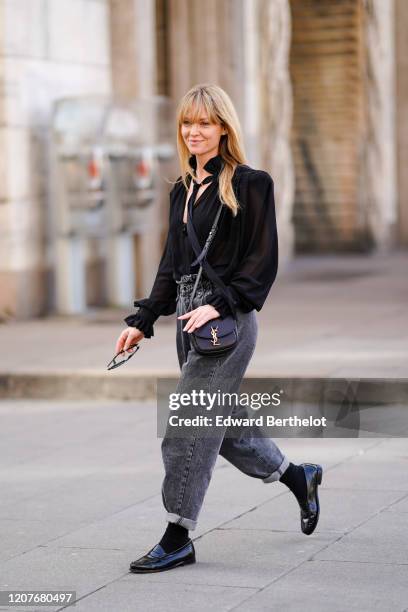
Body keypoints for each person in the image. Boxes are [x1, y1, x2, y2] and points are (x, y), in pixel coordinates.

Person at [115, 84, 323, 573]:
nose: (194, 132)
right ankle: (299, 478)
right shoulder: (182, 189)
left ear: (224, 128)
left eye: (205, 123)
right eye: (188, 123)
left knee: (187, 425)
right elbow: (172, 263)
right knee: (221, 427)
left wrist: (224, 305)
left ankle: (177, 535)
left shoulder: (251, 183)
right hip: (189, 321)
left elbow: (261, 258)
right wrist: (144, 321)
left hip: (226, 323)